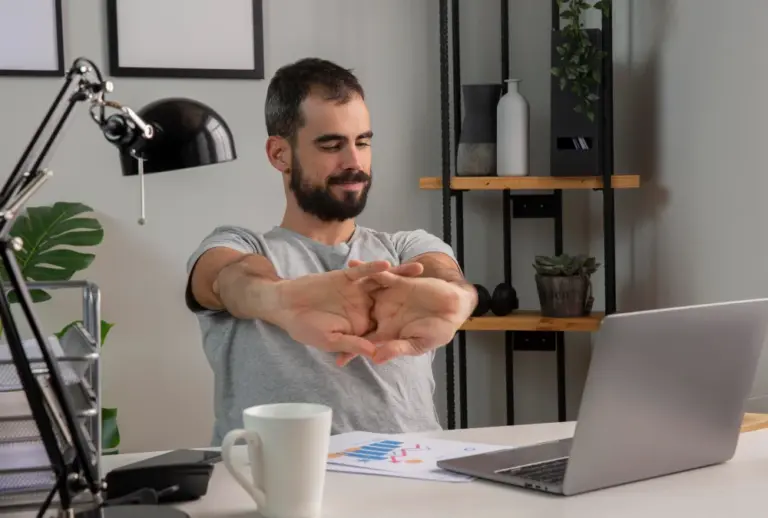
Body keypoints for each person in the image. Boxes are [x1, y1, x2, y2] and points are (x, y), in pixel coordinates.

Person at [185, 57, 478, 445]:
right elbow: (229, 279)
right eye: (331, 145)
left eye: (363, 142)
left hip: (415, 481)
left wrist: (459, 299)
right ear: (279, 155)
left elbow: (446, 277)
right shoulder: (240, 246)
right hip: (281, 488)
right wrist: (280, 300)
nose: (354, 162)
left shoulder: (406, 249)